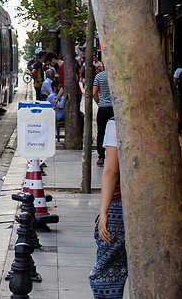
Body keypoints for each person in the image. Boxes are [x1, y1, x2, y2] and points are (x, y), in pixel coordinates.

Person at [88, 117, 126, 297]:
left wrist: (103, 213)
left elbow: (111, 170)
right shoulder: (165, 116)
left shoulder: (117, 123)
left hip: (120, 207)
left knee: (107, 272)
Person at [93, 61, 114, 167]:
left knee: (101, 132)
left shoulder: (99, 77)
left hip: (103, 108)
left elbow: (94, 92)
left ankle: (101, 156)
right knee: (115, 132)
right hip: (114, 109)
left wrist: (99, 102)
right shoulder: (116, 76)